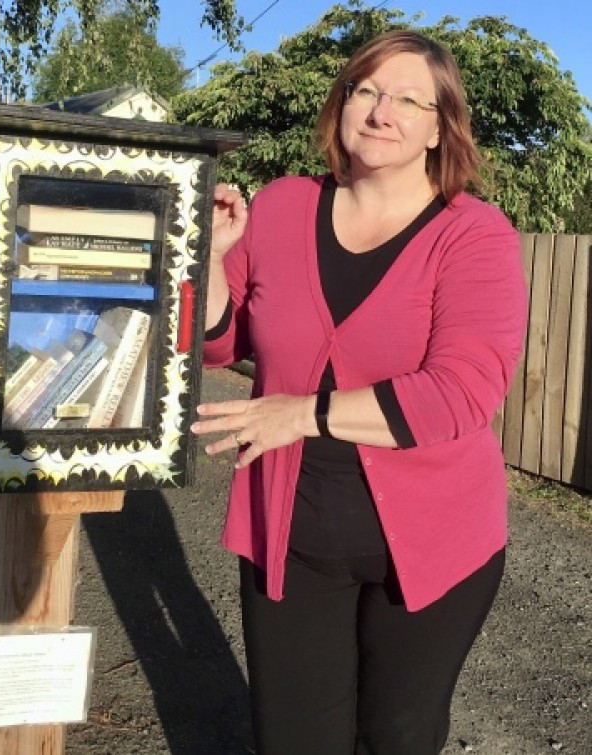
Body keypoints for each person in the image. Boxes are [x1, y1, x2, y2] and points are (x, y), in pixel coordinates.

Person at [191, 30, 528, 754]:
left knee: (397, 734)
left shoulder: (474, 235)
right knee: (292, 736)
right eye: (366, 90)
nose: (381, 111)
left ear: (441, 126)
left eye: (408, 99)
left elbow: (460, 393)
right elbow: (224, 343)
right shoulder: (281, 206)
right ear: (341, 104)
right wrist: (214, 261)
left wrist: (303, 413)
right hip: (292, 529)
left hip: (434, 540)